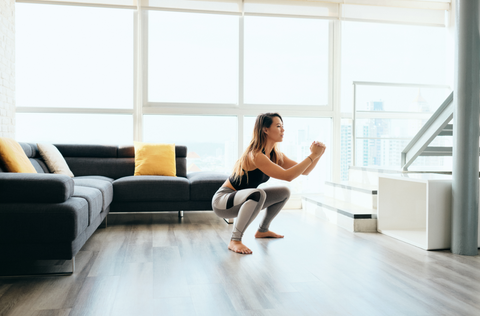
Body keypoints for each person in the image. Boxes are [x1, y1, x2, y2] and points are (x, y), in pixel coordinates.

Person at [211, 113, 327, 254]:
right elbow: (288, 176)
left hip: (242, 199)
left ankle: (263, 230)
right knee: (258, 194)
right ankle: (235, 240)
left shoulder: (275, 155)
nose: (283, 130)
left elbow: (305, 171)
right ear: (265, 129)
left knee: (284, 192)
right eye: (278, 126)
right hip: (223, 201)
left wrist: (318, 155)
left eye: (282, 126)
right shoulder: (256, 155)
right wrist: (313, 155)